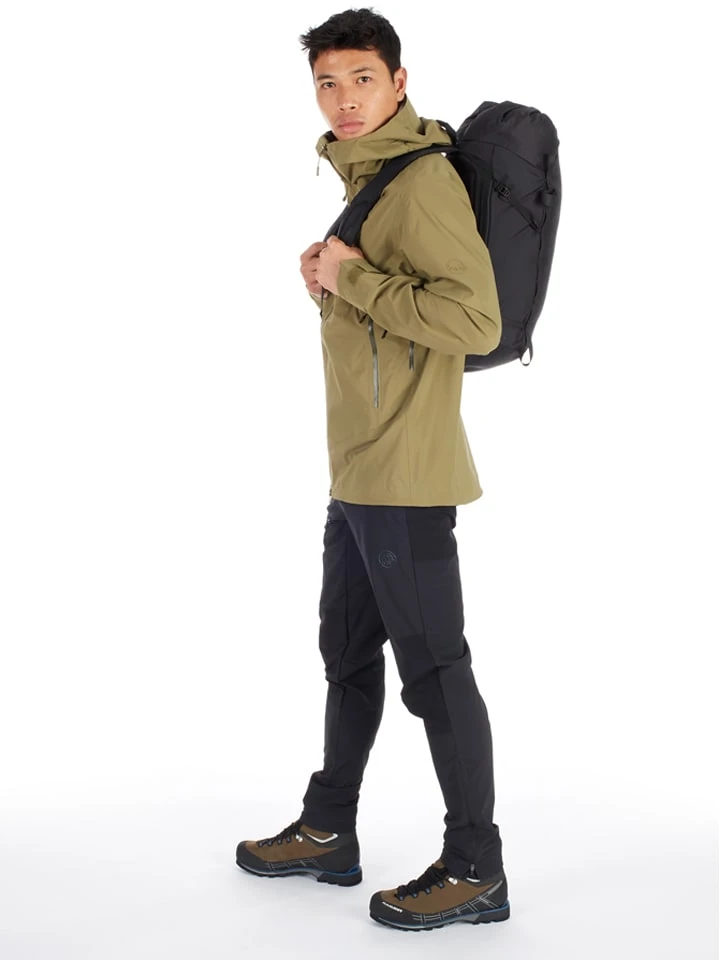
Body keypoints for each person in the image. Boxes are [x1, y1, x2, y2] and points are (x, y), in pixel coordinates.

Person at [235, 8, 509, 932]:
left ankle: (476, 867)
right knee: (348, 659)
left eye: (361, 78)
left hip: (406, 480)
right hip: (357, 475)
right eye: (327, 83)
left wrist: (349, 278)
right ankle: (328, 830)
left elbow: (475, 321)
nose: (343, 99)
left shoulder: (421, 179)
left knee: (435, 673)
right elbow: (386, 314)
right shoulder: (370, 179)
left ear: (399, 81)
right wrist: (330, 277)